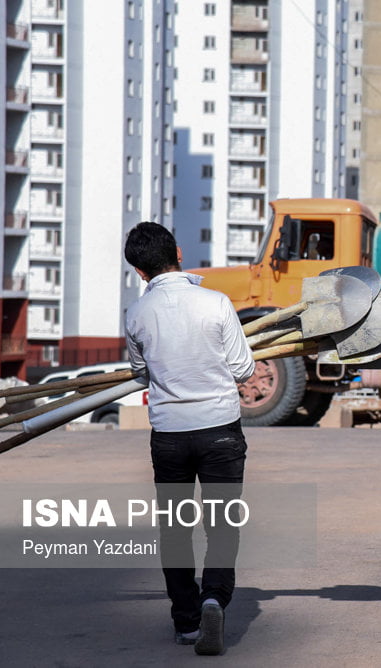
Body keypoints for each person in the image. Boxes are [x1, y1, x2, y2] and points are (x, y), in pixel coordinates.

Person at [124, 222, 255, 655]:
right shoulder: (217, 303)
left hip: (169, 435)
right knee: (221, 527)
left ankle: (186, 622)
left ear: (140, 273)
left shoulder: (137, 314)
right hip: (219, 429)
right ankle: (214, 597)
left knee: (176, 530)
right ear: (179, 251)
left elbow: (140, 373)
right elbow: (243, 370)